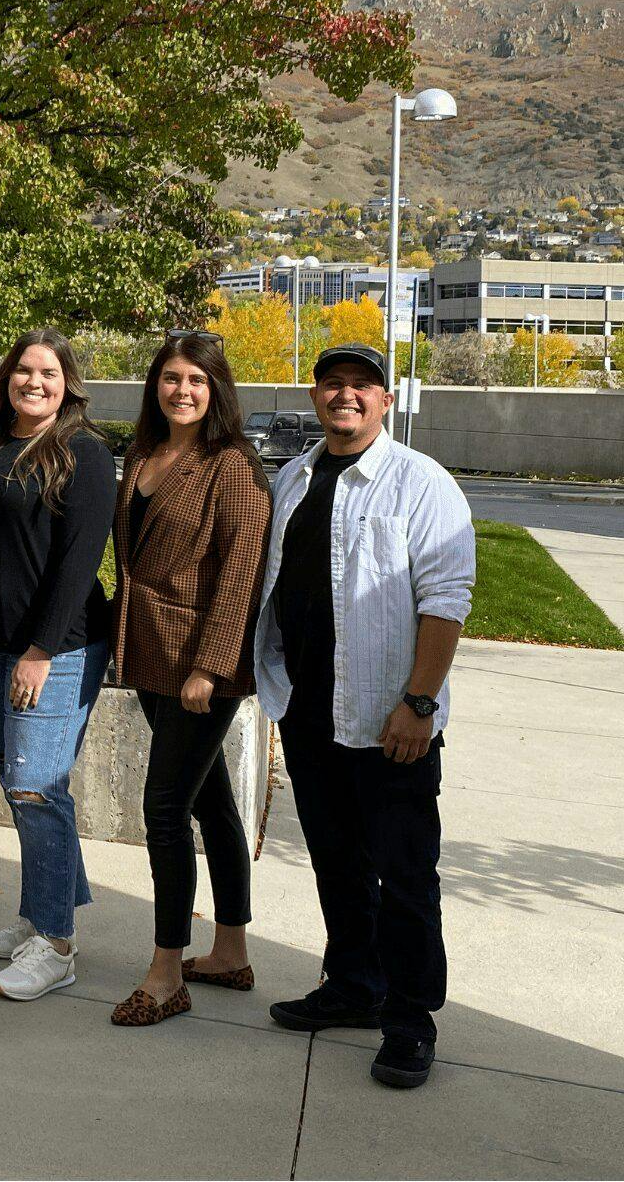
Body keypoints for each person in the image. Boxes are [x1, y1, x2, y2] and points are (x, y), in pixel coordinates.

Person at [258, 343, 473, 1090]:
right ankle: (353, 985)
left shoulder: (422, 485)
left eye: (362, 386)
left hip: (392, 726)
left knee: (406, 876)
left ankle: (411, 1019)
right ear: (316, 396)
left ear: (385, 400)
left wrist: (418, 704)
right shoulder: (293, 478)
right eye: (333, 385)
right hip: (311, 714)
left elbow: (446, 602)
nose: (345, 396)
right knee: (337, 866)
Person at [108, 331, 270, 1028]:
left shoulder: (231, 466)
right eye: (171, 378)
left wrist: (210, 666)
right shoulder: (145, 453)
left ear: (216, 390)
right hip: (151, 653)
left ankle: (167, 970)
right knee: (212, 804)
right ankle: (230, 952)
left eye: (196, 381)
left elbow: (242, 571)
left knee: (165, 811)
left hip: (200, 667)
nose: (182, 390)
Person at [0, 329, 116, 999]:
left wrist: (40, 652)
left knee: (35, 786)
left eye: (48, 372)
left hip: (57, 645)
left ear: (68, 382)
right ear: (7, 378)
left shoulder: (84, 454)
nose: (35, 381)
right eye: (24, 369)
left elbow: (78, 564)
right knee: (18, 779)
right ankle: (40, 911)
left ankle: (56, 945)